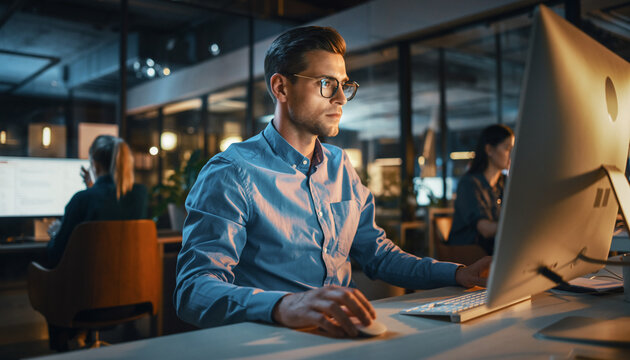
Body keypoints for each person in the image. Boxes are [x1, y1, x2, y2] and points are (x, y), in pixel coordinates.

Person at [174, 26, 491, 338]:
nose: (341, 98)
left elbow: (377, 255)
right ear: (281, 88)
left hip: (350, 334)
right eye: (326, 83)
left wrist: (459, 273)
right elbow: (193, 290)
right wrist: (285, 305)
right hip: (274, 340)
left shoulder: (340, 165)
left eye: (344, 85)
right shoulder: (231, 172)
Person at [46, 135, 148, 267]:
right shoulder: (140, 194)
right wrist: (93, 188)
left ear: (95, 164)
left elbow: (56, 255)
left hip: (89, 284)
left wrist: (55, 234)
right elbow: (112, 207)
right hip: (131, 282)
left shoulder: (81, 199)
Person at [449, 124, 515, 255]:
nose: (512, 154)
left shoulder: (504, 182)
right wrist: (518, 225)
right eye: (507, 148)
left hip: (492, 250)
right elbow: (485, 229)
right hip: (469, 252)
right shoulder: (469, 184)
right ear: (489, 150)